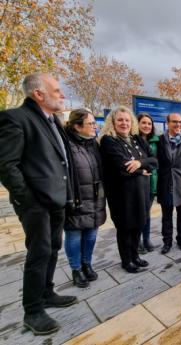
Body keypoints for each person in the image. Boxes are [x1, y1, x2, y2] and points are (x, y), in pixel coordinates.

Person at [0, 73, 77, 335]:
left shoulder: (51, 120)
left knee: (54, 247)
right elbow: (7, 165)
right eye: (57, 90)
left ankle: (46, 292)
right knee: (39, 252)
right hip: (36, 203)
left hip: (56, 199)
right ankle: (32, 311)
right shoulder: (15, 118)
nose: (62, 94)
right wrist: (27, 199)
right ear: (39, 94)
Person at [99, 106, 157, 273]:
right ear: (113, 122)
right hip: (122, 194)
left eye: (127, 120)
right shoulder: (108, 140)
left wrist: (140, 163)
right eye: (120, 120)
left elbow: (154, 161)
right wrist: (143, 170)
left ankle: (135, 256)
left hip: (141, 192)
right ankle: (127, 261)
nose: (124, 123)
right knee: (125, 228)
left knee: (139, 224)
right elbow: (122, 167)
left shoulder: (137, 139)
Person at [64, 109, 106, 287]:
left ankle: (87, 264)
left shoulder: (93, 143)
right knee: (74, 236)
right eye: (91, 124)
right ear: (77, 126)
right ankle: (76, 269)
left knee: (91, 235)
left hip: (95, 197)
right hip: (76, 197)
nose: (95, 127)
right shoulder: (66, 144)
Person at [157, 113, 181, 254]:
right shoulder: (160, 140)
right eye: (174, 122)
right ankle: (167, 242)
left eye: (180, 122)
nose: (178, 125)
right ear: (167, 123)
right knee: (166, 216)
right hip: (165, 182)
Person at [137, 113, 159, 253]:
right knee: (139, 213)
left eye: (149, 123)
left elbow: (158, 161)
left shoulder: (156, 141)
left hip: (152, 182)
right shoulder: (133, 140)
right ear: (137, 124)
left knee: (147, 213)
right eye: (143, 123)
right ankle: (137, 240)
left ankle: (146, 239)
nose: (146, 126)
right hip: (138, 182)